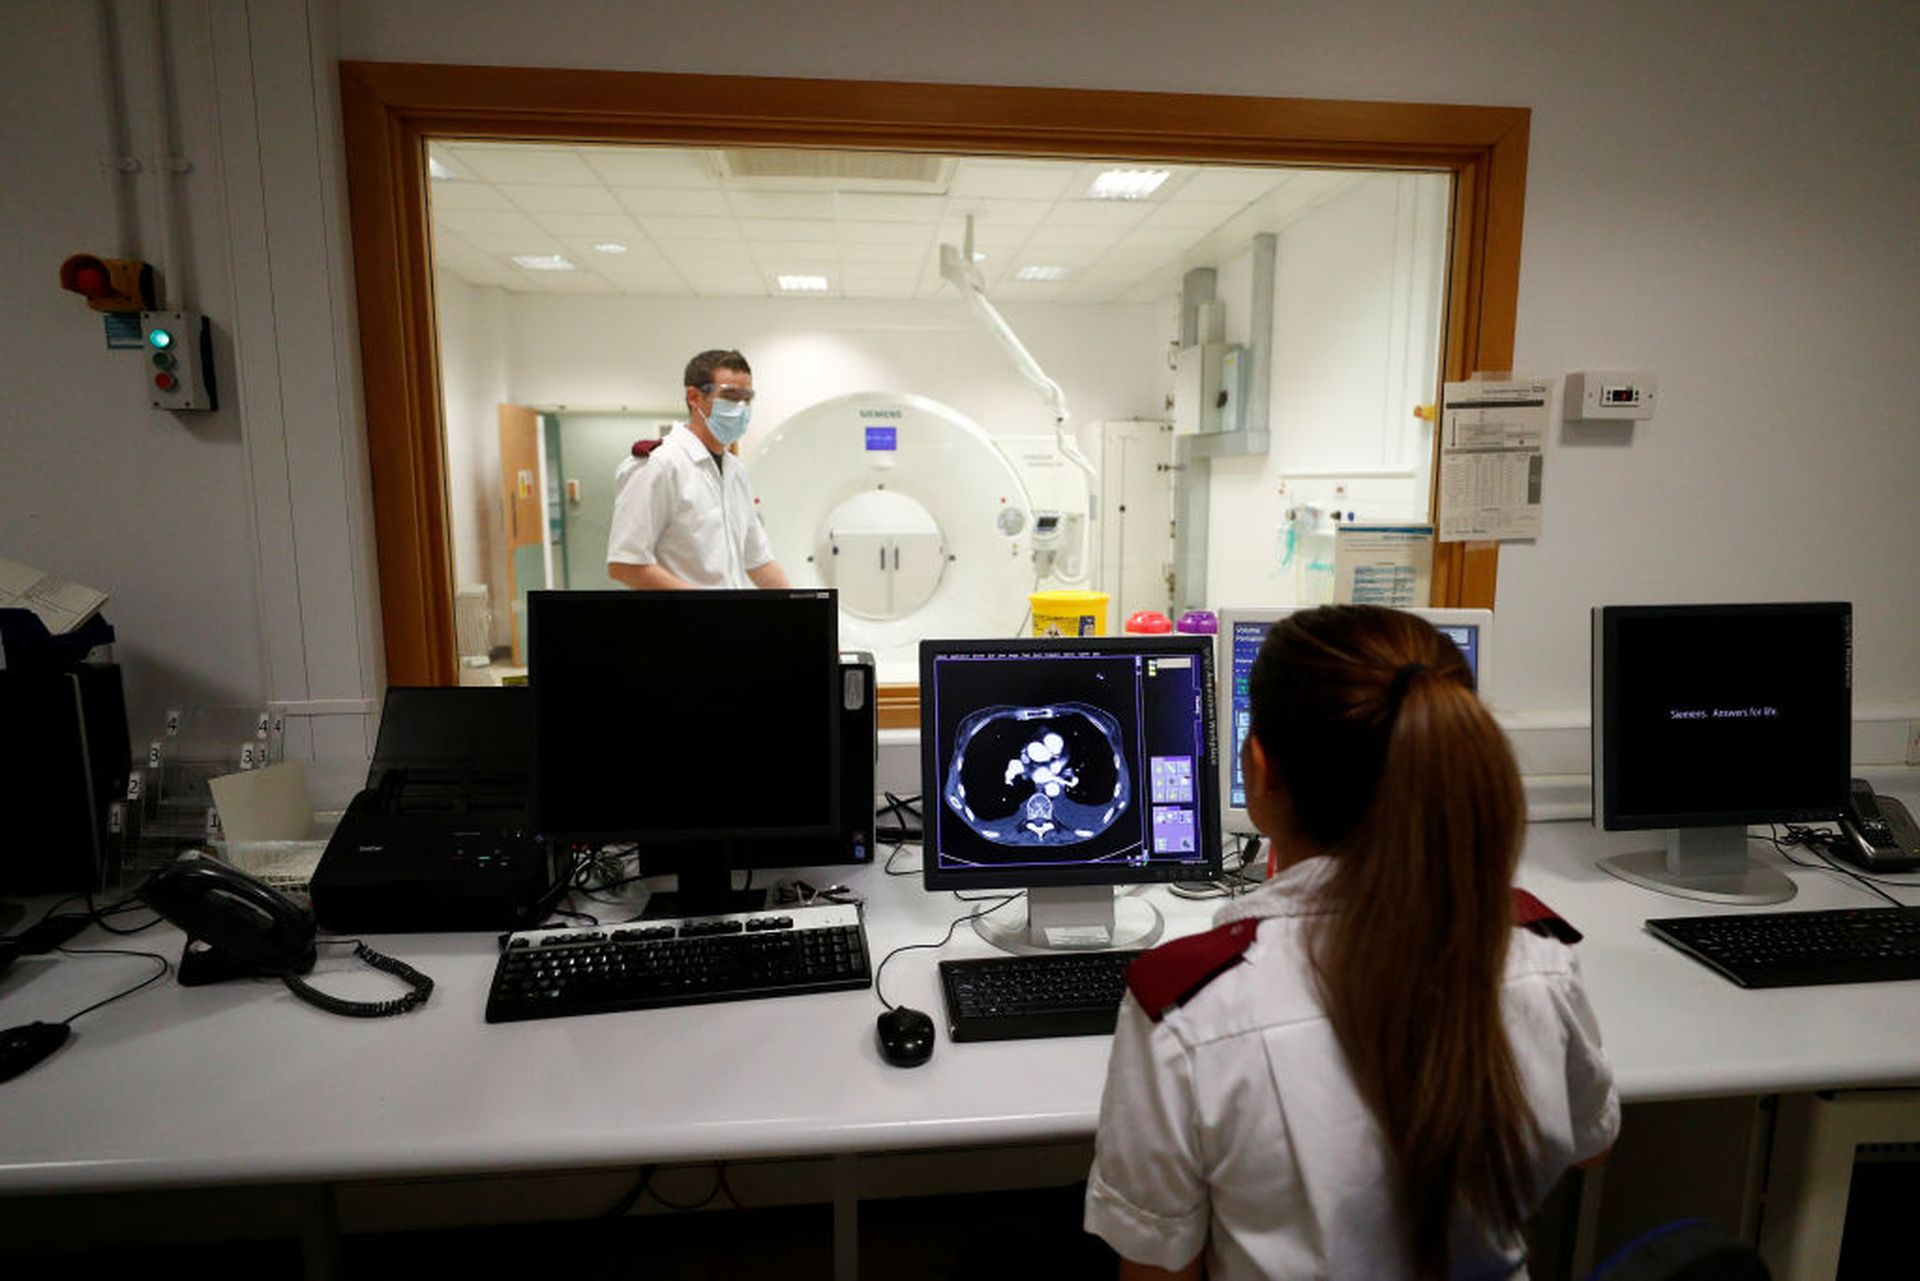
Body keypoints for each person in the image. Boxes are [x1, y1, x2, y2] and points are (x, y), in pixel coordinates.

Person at [1084, 605, 1619, 1280]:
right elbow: (1590, 1145)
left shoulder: (1191, 1011)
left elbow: (1159, 1269)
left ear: (1261, 767)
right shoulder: (1534, 956)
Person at [605, 349, 791, 590]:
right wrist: (704, 607)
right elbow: (625, 565)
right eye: (731, 396)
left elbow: (759, 562)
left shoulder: (735, 471)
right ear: (694, 397)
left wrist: (804, 613)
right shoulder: (659, 465)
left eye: (748, 399)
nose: (742, 408)